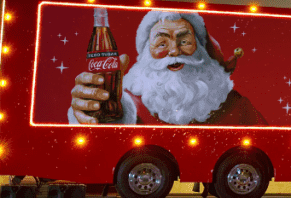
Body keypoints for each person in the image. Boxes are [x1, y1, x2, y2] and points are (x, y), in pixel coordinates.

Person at [69, 11, 267, 125]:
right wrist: (90, 112)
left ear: (201, 50)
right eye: (162, 43)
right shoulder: (126, 105)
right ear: (146, 53)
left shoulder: (237, 106)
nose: (174, 51)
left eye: (184, 41)